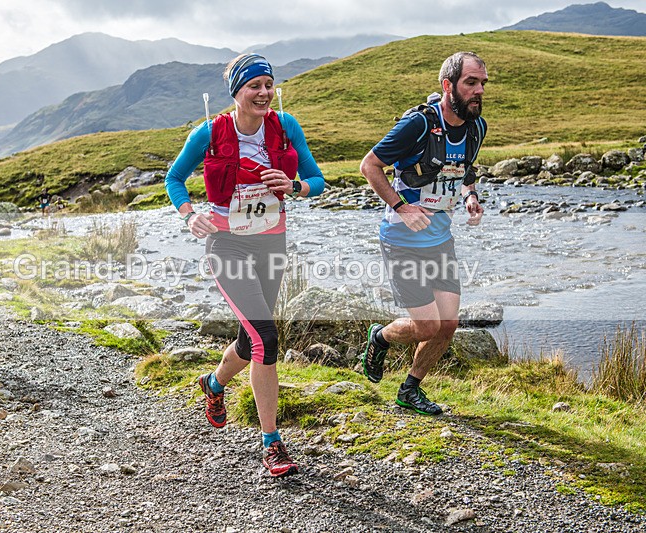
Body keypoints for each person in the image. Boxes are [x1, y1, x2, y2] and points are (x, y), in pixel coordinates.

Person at [165, 53, 325, 477]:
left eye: (269, 84)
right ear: (236, 91)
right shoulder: (210, 131)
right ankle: (272, 442)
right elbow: (173, 178)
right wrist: (188, 213)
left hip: (271, 244)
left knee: (250, 339)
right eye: (254, 85)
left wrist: (295, 185)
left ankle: (213, 384)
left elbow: (318, 180)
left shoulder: (286, 126)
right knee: (267, 337)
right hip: (226, 245)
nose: (264, 93)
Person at [359, 52, 488, 415]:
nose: (478, 91)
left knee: (448, 325)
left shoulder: (477, 127)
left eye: (482, 84)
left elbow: (465, 170)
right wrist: (401, 207)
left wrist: (470, 197)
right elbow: (370, 165)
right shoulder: (418, 124)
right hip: (401, 240)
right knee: (427, 325)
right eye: (470, 83)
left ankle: (410, 389)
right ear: (448, 86)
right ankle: (380, 337)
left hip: (440, 239)